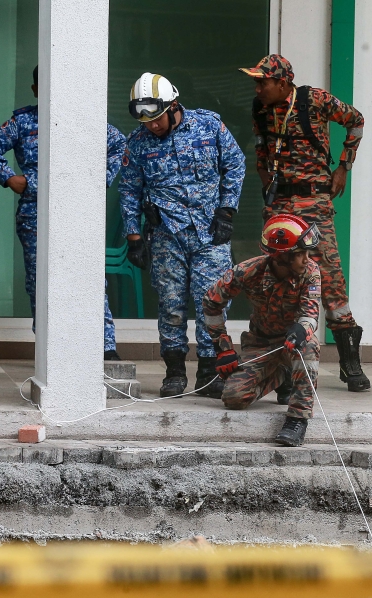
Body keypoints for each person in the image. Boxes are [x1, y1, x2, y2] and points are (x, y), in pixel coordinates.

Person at [240, 53, 370, 394]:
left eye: (262, 81)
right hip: (280, 203)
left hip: (314, 200)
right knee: (279, 273)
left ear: (282, 82)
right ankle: (280, 366)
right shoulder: (260, 108)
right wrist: (262, 169)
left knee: (329, 276)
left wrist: (343, 166)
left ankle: (349, 361)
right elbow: (260, 141)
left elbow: (356, 120)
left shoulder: (314, 99)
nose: (257, 87)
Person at [0, 66, 126, 359]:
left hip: (79, 212)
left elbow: (119, 144)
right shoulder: (23, 122)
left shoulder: (85, 120)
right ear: (35, 90)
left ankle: (105, 347)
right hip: (36, 213)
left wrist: (99, 181)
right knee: (40, 282)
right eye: (44, 87)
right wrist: (10, 178)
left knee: (90, 279)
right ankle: (52, 349)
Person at [118, 72, 246, 398]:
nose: (152, 126)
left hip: (210, 232)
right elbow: (129, 192)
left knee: (212, 304)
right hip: (166, 235)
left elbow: (235, 163)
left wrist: (227, 210)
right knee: (171, 305)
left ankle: (208, 372)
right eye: (144, 120)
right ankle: (174, 371)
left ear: (173, 105)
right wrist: (133, 238)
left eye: (156, 118)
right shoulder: (136, 143)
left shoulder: (209, 125)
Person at [203, 214, 321, 447]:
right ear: (281, 256)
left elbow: (311, 313)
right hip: (260, 344)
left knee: (309, 345)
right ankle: (282, 376)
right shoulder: (247, 271)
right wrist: (223, 348)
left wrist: (302, 328)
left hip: (293, 343)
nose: (307, 259)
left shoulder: (311, 271)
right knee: (233, 398)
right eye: (300, 254)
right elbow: (211, 301)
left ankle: (297, 420)